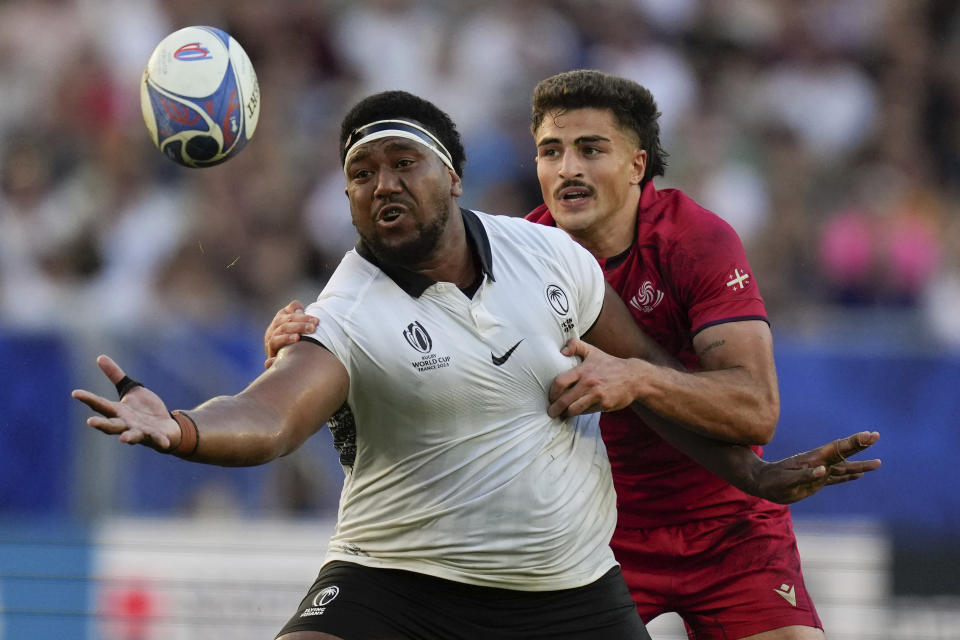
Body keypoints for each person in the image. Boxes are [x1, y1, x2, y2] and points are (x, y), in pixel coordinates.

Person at [263, 74, 882, 640]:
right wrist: (312, 347)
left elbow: (755, 410)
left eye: (591, 149)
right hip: (590, 543)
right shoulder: (509, 253)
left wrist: (637, 378)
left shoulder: (696, 240)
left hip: (723, 517)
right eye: (551, 151)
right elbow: (399, 340)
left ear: (638, 164)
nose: (567, 170)